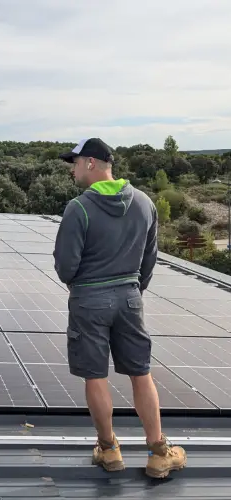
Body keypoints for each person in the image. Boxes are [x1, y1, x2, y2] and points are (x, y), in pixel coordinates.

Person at [53, 137, 187, 479]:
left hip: (88, 300)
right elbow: (150, 258)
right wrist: (132, 289)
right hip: (130, 297)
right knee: (141, 373)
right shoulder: (144, 203)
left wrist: (83, 286)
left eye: (76, 162)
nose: (72, 168)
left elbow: (66, 267)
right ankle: (159, 452)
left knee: (95, 376)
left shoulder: (78, 208)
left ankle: (109, 449)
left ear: (92, 164)